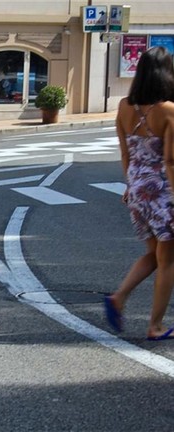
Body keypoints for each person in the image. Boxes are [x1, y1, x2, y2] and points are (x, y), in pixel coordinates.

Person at [104, 46, 174, 341]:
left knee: (153, 254)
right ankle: (155, 326)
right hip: (163, 192)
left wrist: (131, 185)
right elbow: (170, 161)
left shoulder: (123, 106)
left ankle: (119, 298)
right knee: (168, 261)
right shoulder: (168, 110)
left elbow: (125, 153)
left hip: (136, 190)